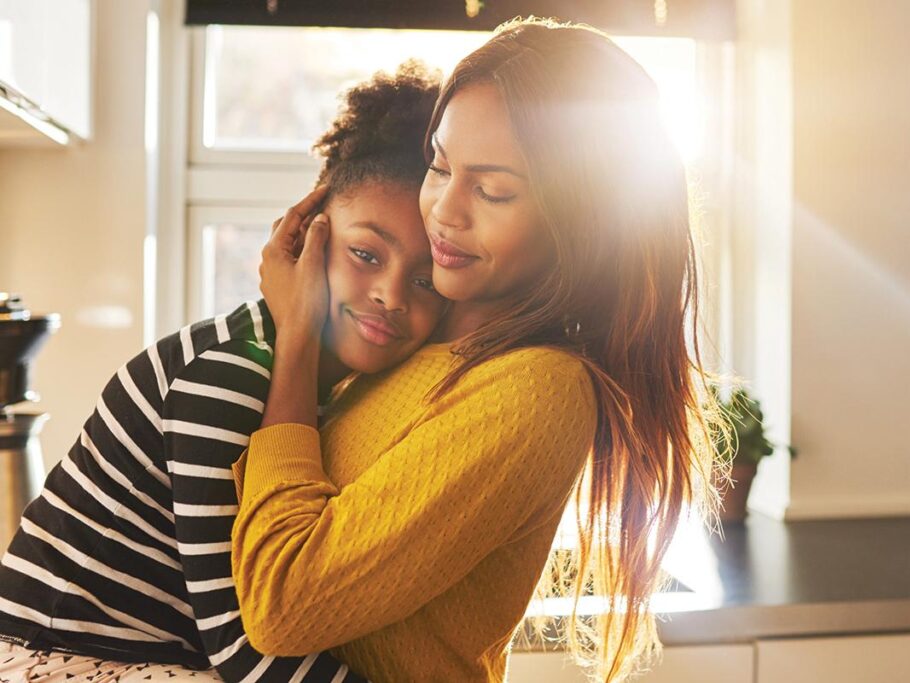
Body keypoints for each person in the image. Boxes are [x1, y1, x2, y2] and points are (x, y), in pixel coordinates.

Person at [232, 17, 727, 683]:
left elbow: (283, 606)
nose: (445, 210)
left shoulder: (537, 389)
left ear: (580, 220)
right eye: (439, 166)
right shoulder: (421, 331)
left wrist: (296, 337)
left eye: (492, 191)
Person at [0, 62, 446, 682]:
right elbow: (247, 649)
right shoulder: (228, 376)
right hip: (65, 662)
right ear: (305, 234)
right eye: (365, 253)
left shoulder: (334, 383)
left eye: (426, 280)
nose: (391, 295)